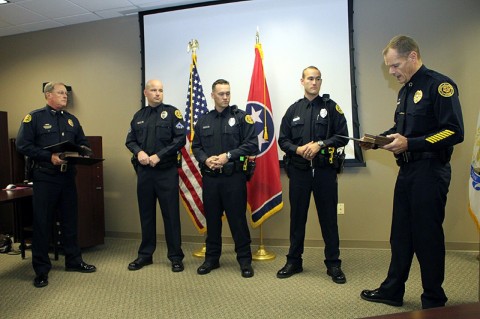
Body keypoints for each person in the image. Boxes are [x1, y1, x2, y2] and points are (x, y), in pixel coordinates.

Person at [360, 35, 464, 309]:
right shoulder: (405, 91)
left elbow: (454, 131)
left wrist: (412, 143)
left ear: (412, 57)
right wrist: (378, 139)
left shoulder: (439, 86)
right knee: (400, 235)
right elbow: (403, 132)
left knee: (427, 236)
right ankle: (392, 291)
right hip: (407, 171)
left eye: (395, 66)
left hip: (431, 171)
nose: (392, 72)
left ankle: (433, 299)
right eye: (389, 67)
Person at [16, 82, 97, 288]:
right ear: (48, 95)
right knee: (42, 223)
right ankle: (41, 270)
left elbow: (83, 142)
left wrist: (84, 151)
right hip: (45, 178)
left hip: (67, 177)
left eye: (66, 94)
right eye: (60, 93)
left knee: (70, 220)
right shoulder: (34, 118)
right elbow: (22, 145)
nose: (65, 96)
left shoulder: (71, 120)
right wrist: (48, 156)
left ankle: (73, 260)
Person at [277, 66, 349, 284]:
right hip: (299, 172)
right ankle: (294, 261)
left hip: (325, 172)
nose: (314, 82)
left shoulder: (331, 107)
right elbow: (283, 140)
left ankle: (333, 264)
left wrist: (320, 144)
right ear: (302, 81)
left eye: (318, 79)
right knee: (297, 218)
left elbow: (343, 136)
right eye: (310, 78)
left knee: (329, 219)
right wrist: (298, 150)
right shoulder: (293, 110)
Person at [192, 79, 258, 278]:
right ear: (212, 95)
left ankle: (245, 261)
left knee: (237, 220)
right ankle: (212, 259)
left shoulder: (241, 118)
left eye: (228, 93)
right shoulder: (203, 120)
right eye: (221, 94)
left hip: (233, 178)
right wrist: (205, 160)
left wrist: (227, 156)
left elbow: (252, 145)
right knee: (212, 220)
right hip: (211, 179)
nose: (225, 97)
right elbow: (196, 147)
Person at [125, 79, 186, 272]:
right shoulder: (139, 116)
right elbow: (130, 140)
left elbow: (180, 139)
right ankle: (145, 255)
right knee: (146, 215)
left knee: (171, 216)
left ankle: (175, 256)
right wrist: (139, 152)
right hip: (145, 173)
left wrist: (159, 155)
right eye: (154, 90)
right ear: (146, 93)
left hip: (166, 171)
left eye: (160, 90)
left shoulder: (173, 113)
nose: (158, 93)